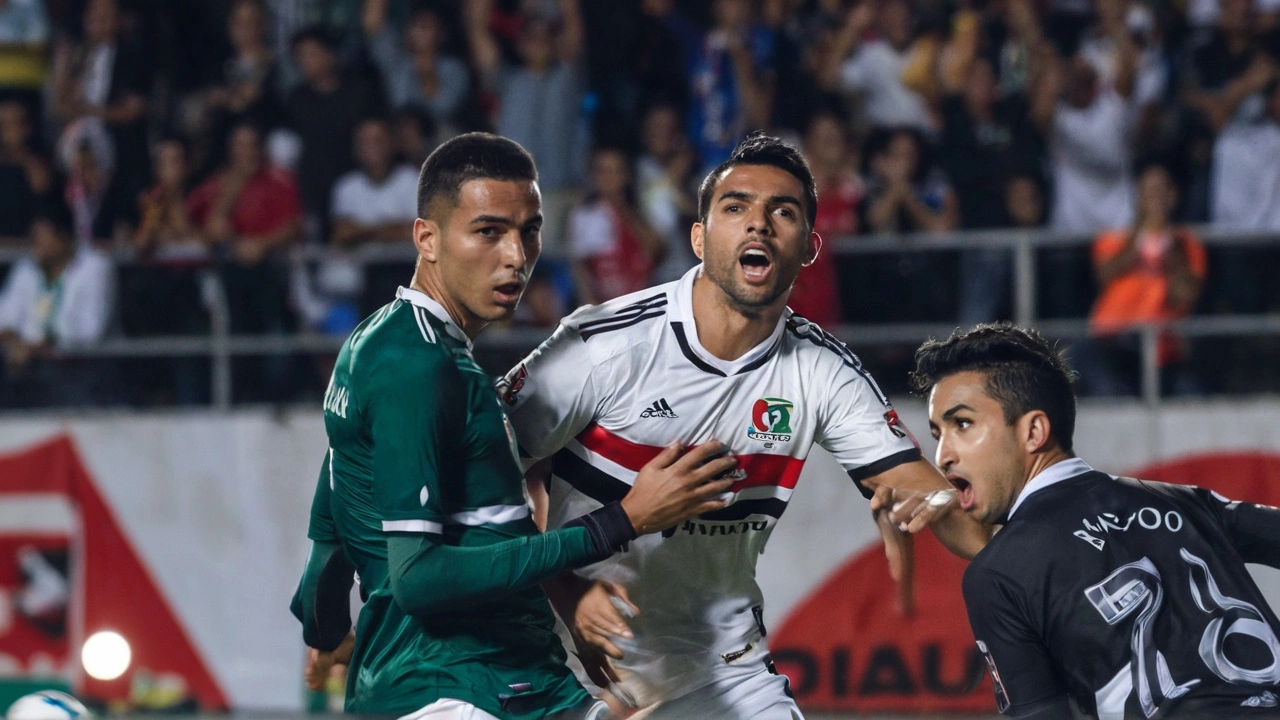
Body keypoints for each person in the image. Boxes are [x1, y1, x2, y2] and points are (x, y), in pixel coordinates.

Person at [501, 132, 988, 718]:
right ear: (700, 238)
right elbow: (481, 484)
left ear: (809, 246)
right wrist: (567, 593)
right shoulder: (605, 344)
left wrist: (957, 509)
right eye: (737, 207)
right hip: (563, 660)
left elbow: (930, 497)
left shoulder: (822, 371)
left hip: (718, 669)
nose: (759, 223)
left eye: (782, 211)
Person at [289, 132, 743, 719]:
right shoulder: (421, 369)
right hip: (461, 690)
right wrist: (625, 519)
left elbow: (330, 540)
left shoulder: (376, 343)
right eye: (488, 232)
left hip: (510, 683)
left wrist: (325, 633)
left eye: (529, 230)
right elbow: (418, 581)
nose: (516, 255)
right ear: (426, 238)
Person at [912, 322, 1280, 718]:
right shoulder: (1187, 503)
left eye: (962, 424)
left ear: (1034, 430)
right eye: (937, 434)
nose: (944, 455)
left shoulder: (998, 574)